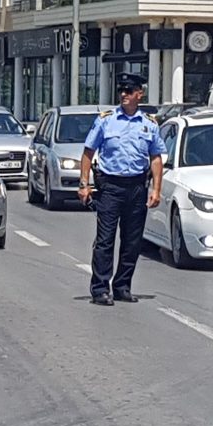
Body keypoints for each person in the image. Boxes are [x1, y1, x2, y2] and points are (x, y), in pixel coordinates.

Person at [78, 73, 166, 305]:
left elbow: (156, 158)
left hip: (136, 187)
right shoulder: (106, 120)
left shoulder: (149, 124)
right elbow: (88, 153)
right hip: (110, 187)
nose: (124, 95)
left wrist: (156, 190)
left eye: (129, 91)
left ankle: (122, 286)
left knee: (132, 241)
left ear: (140, 93)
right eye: (122, 91)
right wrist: (84, 184)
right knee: (105, 240)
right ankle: (100, 289)